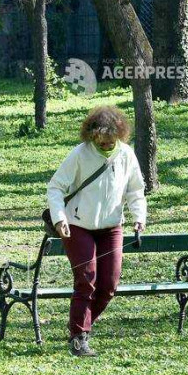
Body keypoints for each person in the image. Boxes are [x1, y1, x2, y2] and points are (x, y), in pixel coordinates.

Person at [47, 105, 147, 357]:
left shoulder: (126, 154)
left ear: (119, 136)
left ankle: (80, 325)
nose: (104, 144)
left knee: (109, 284)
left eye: (109, 140)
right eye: (99, 140)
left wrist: (139, 217)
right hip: (78, 226)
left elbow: (135, 190)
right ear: (91, 134)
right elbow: (56, 188)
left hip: (111, 226)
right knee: (86, 279)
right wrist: (59, 219)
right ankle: (79, 337)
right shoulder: (80, 154)